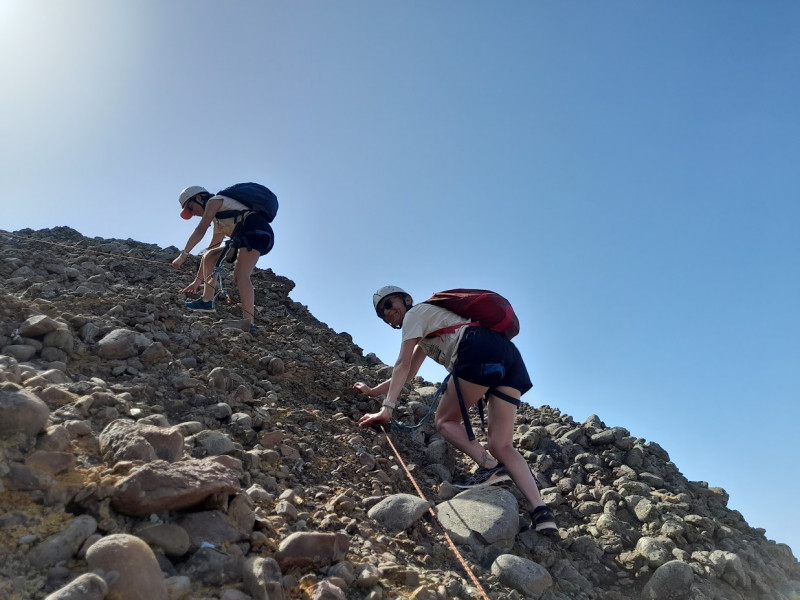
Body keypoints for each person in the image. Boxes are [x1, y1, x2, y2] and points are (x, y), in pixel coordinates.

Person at [353, 285, 558, 533]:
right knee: (502, 444)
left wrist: (387, 409)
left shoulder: (414, 315)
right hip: (507, 355)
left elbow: (402, 362)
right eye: (381, 313)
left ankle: (491, 468)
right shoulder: (428, 331)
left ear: (406, 300)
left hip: (478, 350)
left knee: (445, 422)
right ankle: (542, 512)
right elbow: (407, 373)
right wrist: (372, 390)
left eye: (388, 304)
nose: (387, 313)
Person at [171, 185, 274, 332]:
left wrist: (183, 256)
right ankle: (207, 301)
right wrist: (196, 282)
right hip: (246, 236)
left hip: (256, 231)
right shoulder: (219, 220)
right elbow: (211, 251)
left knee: (240, 275)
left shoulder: (216, 201)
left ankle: (249, 323)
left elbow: (200, 229)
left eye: (190, 207)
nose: (192, 213)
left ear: (199, 197)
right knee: (210, 256)